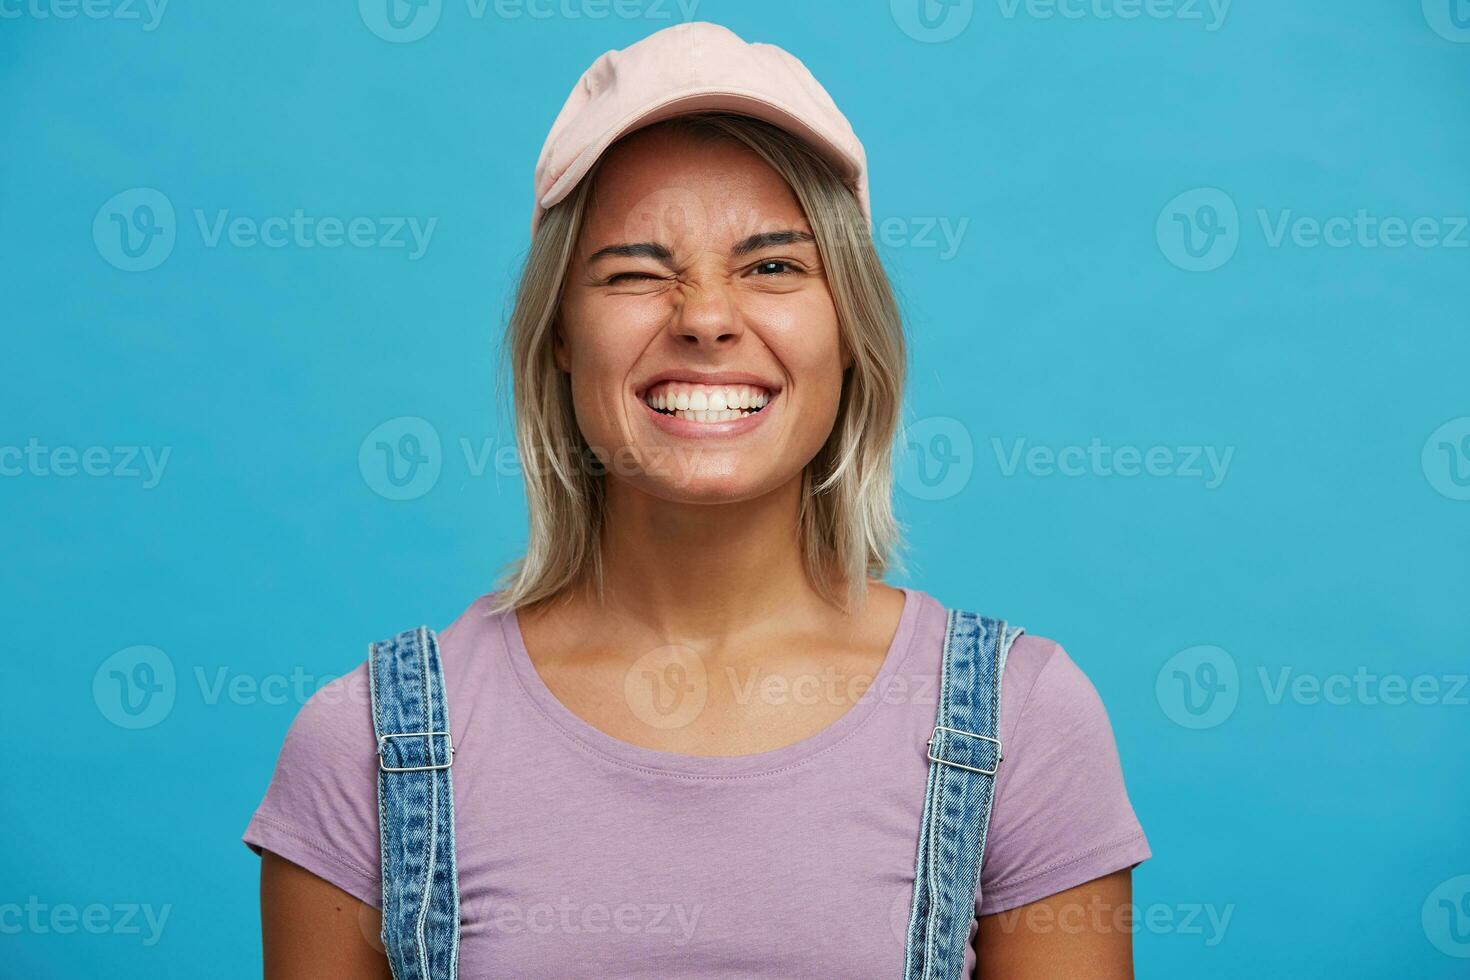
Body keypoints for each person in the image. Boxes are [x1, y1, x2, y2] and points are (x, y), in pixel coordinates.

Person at [244, 20, 1150, 979]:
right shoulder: (367, 747)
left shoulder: (1022, 724)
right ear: (559, 336)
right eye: (636, 272)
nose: (707, 318)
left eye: (772, 267)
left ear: (850, 331)